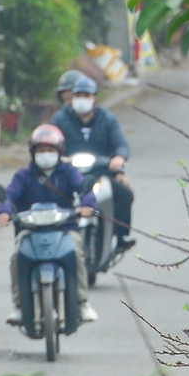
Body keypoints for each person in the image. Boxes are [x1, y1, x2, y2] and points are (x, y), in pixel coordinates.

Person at [0, 123, 98, 327]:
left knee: (77, 254)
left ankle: (82, 302)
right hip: (30, 230)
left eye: (50, 150)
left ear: (59, 152)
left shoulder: (69, 172)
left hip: (65, 228)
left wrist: (87, 205)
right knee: (17, 258)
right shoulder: (23, 176)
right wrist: (4, 211)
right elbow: (10, 195)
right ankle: (19, 306)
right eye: (41, 150)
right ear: (33, 153)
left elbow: (85, 190)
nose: (45, 154)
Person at [52, 75, 133, 253]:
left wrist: (119, 158)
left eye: (86, 95)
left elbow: (120, 144)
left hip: (101, 174)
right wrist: (57, 156)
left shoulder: (108, 119)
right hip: (70, 174)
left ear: (95, 98)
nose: (82, 100)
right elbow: (51, 141)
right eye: (78, 95)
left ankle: (119, 236)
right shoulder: (60, 119)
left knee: (125, 194)